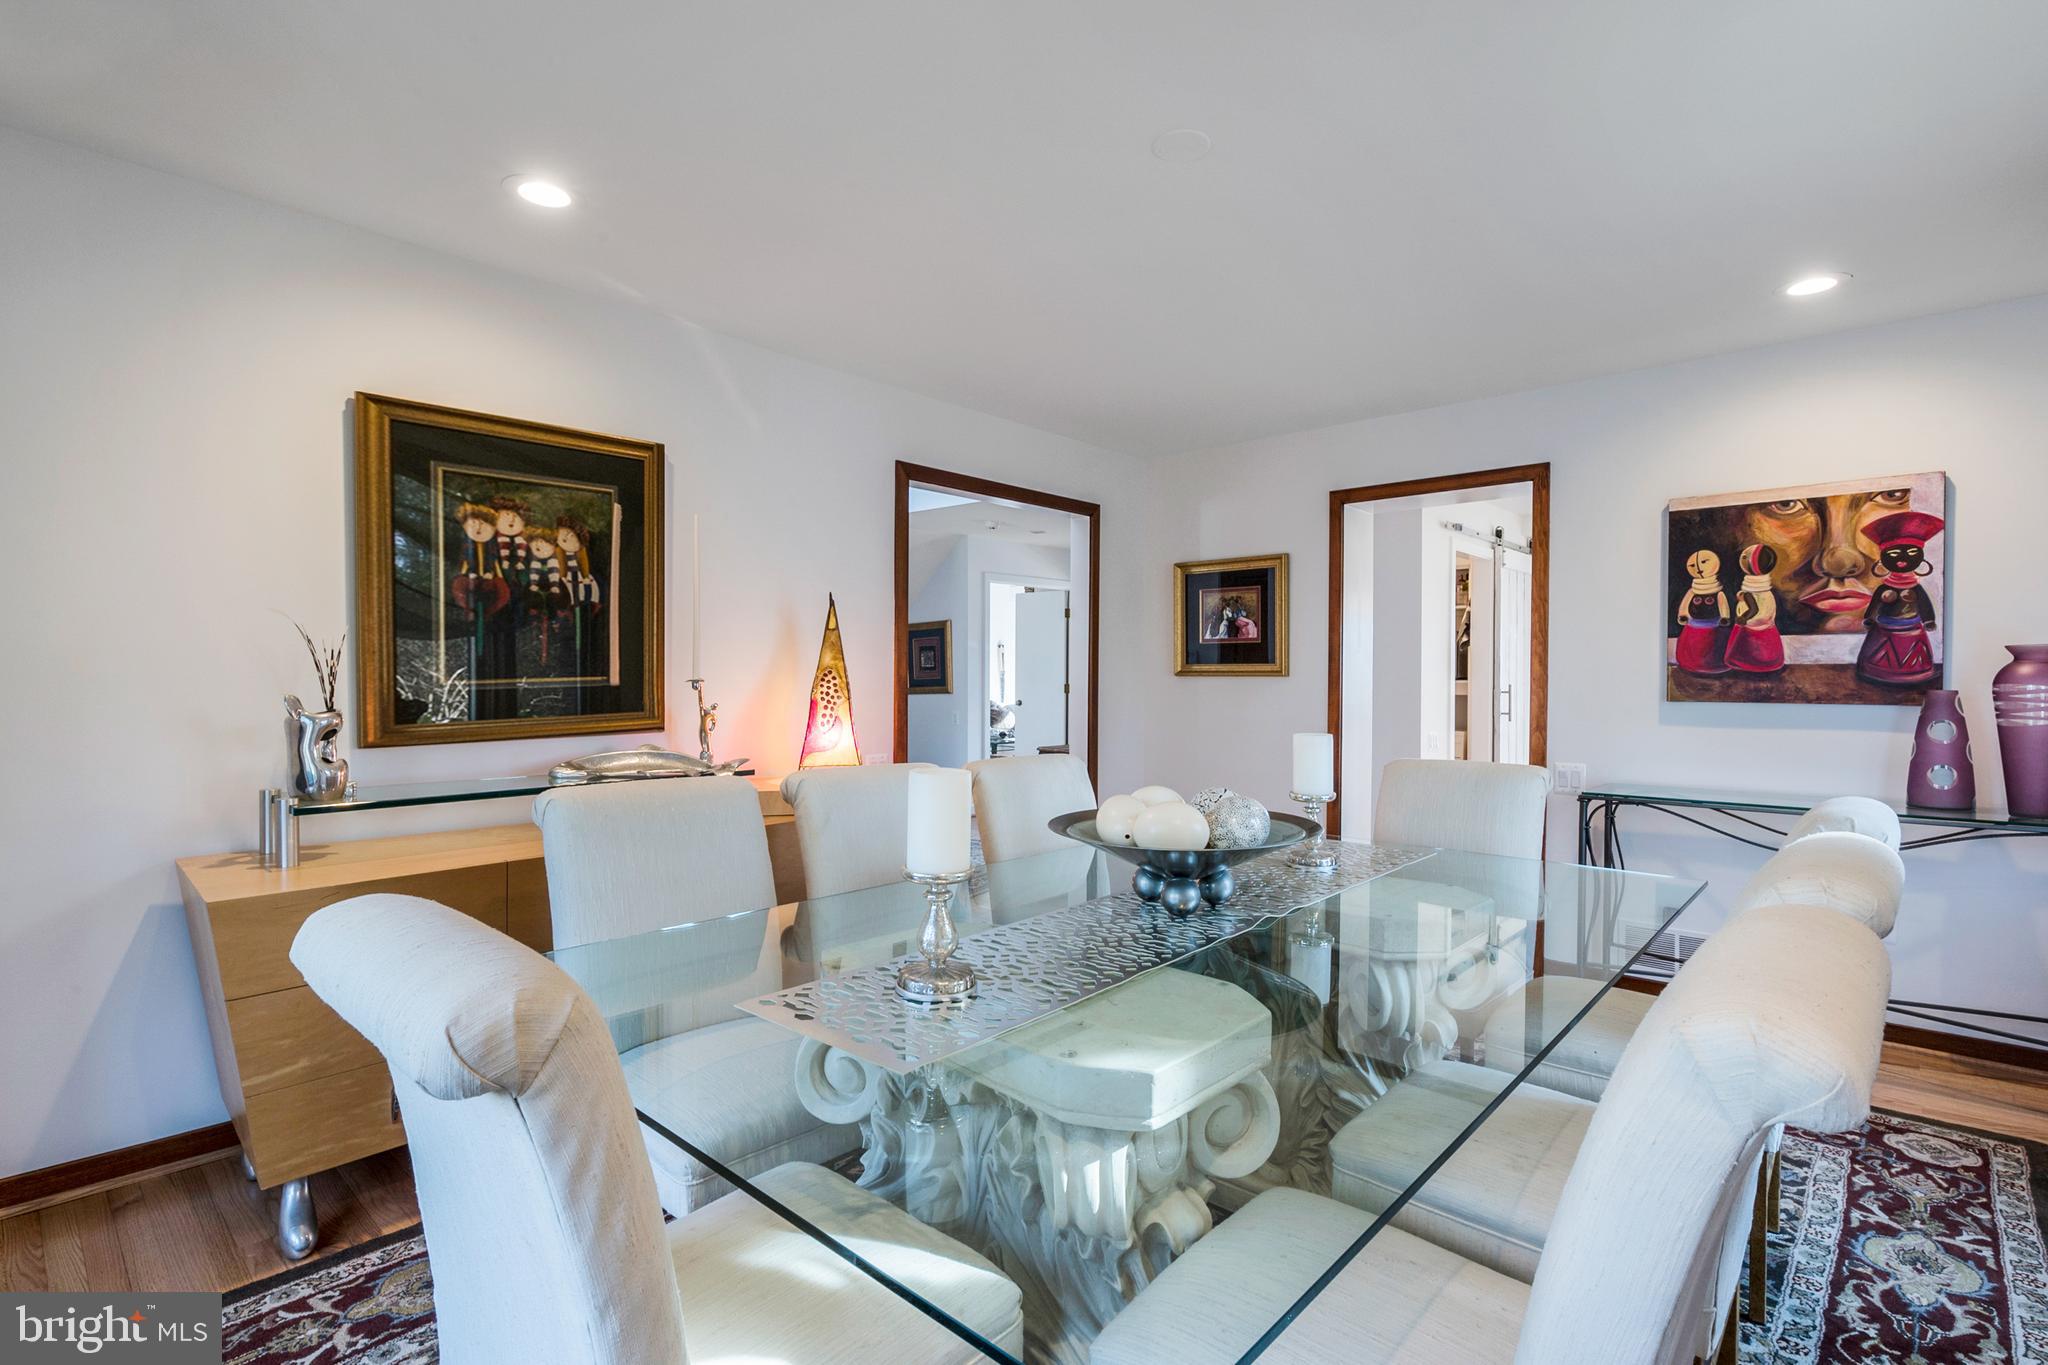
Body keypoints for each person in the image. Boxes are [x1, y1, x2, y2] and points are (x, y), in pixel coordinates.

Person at [1856, 510, 1943, 687]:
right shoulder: (1884, 588)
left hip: (1912, 628)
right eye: (1894, 554)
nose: (1903, 558)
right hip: (1883, 628)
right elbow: (1875, 604)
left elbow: (1924, 605)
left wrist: (1929, 621)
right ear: (1883, 559)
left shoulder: (1916, 588)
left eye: (1912, 552)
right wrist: (1869, 618)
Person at [1724, 544, 1785, 674]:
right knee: (1766, 650)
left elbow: (1753, 609)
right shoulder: (1767, 592)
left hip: (1750, 627)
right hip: (1767, 627)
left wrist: (1744, 617)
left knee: (1748, 651)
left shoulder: (1751, 592)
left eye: (1746, 557)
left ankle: (1749, 665)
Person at [1673, 548, 1731, 675]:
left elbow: (1723, 604)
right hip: (1693, 627)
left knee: (1715, 649)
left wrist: (1725, 617)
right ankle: (1691, 663)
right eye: (1693, 565)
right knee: (1693, 649)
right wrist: (1683, 615)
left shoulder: (1718, 592)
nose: (1699, 568)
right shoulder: (1692, 591)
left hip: (1715, 627)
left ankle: (1714, 664)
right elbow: (1684, 604)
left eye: (1704, 562)